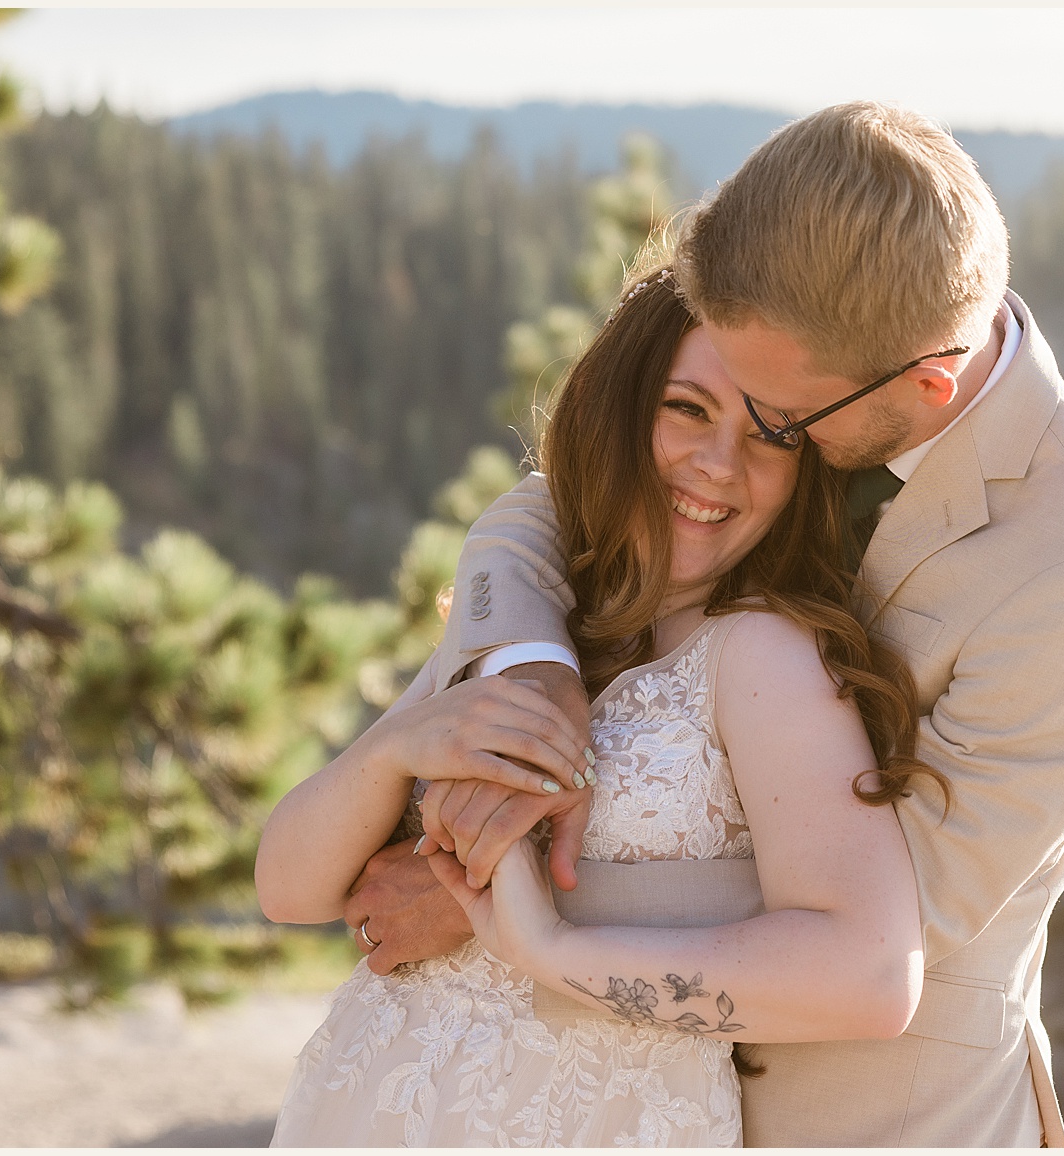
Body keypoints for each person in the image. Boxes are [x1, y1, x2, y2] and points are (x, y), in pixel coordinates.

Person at [336, 102, 1064, 1146]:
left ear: (925, 383)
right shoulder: (824, 348)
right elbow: (561, 502)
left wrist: (486, 905)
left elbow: (893, 912)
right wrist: (531, 658)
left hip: (868, 1119)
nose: (749, 447)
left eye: (780, 421)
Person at [259, 268, 934, 1145]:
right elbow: (288, 887)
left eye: (772, 432)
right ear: (616, 410)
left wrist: (546, 948)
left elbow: (871, 976)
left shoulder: (761, 653)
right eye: (686, 408)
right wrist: (399, 748)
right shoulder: (528, 626)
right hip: (372, 1103)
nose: (720, 464)